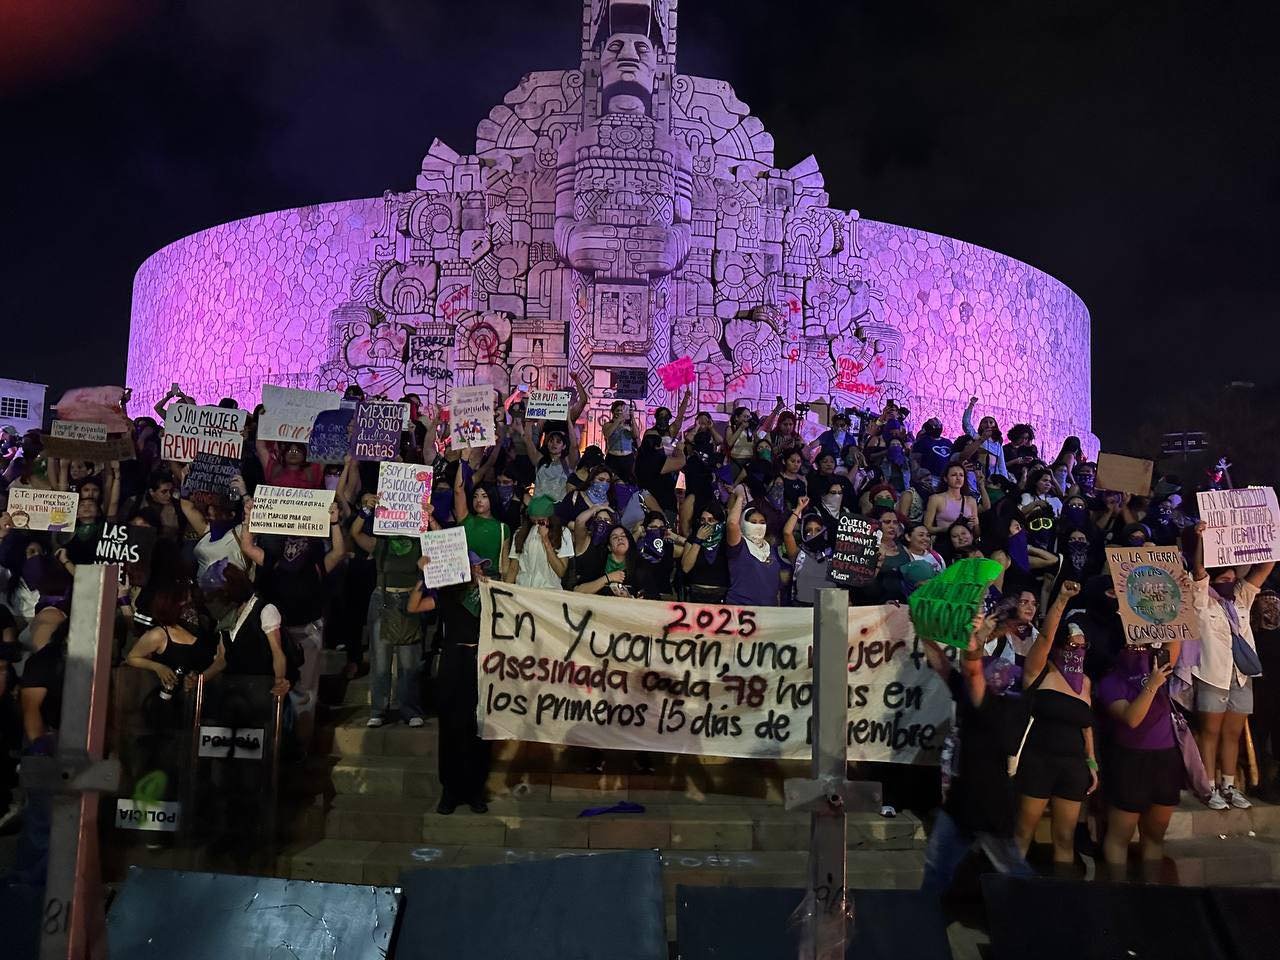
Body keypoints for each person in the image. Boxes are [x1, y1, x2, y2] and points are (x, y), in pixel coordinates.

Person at [919, 614, 1032, 895]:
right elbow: (944, 667)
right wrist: (923, 629)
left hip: (987, 804)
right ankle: (922, 918)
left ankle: (1041, 919)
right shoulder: (971, 697)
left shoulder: (995, 707)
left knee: (1013, 872)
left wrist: (975, 639)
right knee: (936, 866)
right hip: (962, 801)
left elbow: (970, 669)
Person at [1188, 520, 1275, 810]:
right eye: (1222, 579)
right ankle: (1208, 787)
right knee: (1210, 732)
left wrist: (1266, 533)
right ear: (1213, 581)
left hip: (1241, 676)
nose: (1229, 582)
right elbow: (1199, 572)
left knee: (1233, 733)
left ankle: (1229, 785)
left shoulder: (1241, 599)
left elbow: (1264, 568)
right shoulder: (1202, 600)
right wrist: (1200, 539)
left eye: (1231, 578)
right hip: (1213, 675)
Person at [1013, 581, 1097, 865]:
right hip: (1039, 761)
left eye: (1082, 646)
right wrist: (1061, 599)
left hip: (1072, 766)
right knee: (1023, 832)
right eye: (1072, 644)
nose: (1077, 649)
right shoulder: (1040, 672)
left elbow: (1086, 724)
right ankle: (1009, 892)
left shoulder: (1084, 682)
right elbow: (1046, 636)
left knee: (1065, 838)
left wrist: (1092, 763)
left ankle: (1062, 898)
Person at [1097, 643, 1183, 870]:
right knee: (1121, 835)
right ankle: (1118, 890)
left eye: (1141, 646)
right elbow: (1132, 718)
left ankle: (1154, 891)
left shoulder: (1158, 668)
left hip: (1164, 757)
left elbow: (1174, 638)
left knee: (1155, 835)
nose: (1138, 650)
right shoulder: (1111, 682)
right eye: (1130, 645)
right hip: (1131, 760)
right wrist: (1152, 686)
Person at [350, 496, 426, 729]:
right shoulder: (380, 542)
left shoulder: (420, 541)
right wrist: (365, 510)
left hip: (410, 601)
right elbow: (355, 533)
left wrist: (428, 515)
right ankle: (378, 710)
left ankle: (410, 709)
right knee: (381, 660)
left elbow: (440, 541)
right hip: (383, 599)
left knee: (409, 661)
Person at [429, 552, 491, 814]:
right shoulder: (447, 595)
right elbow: (413, 606)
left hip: (480, 660)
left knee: (478, 726)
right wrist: (425, 577)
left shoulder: (490, 595)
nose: (479, 571)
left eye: (480, 566)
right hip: (454, 659)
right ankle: (450, 791)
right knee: (452, 726)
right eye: (474, 567)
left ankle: (475, 790)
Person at [724, 484, 784, 606]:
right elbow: (731, 524)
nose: (758, 526)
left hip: (768, 612)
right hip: (741, 610)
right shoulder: (739, 545)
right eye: (753, 522)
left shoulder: (770, 549)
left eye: (762, 522)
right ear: (744, 523)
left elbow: (775, 586)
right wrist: (740, 498)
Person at [507, 495, 573, 590]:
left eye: (541, 521)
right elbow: (513, 568)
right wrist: (504, 591)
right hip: (523, 589)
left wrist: (546, 541)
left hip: (548, 592)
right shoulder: (520, 534)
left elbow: (561, 571)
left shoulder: (563, 533)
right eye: (535, 521)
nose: (538, 524)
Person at [782, 498, 831, 606]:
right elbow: (787, 533)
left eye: (818, 530)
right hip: (801, 608)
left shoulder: (831, 555)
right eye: (809, 530)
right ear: (803, 533)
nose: (813, 533)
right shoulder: (798, 553)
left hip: (828, 607)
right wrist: (799, 508)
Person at [924, 464, 979, 536]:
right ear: (945, 479)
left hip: (966, 543)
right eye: (954, 475)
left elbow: (977, 533)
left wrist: (976, 524)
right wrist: (949, 529)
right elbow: (927, 527)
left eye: (961, 475)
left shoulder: (971, 501)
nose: (958, 478)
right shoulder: (936, 499)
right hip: (945, 541)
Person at [602, 400, 641, 482]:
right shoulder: (608, 425)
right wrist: (618, 420)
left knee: (628, 481)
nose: (620, 412)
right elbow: (607, 434)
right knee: (612, 481)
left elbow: (636, 435)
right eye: (618, 410)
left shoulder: (629, 425)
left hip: (627, 458)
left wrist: (632, 417)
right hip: (613, 458)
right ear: (613, 412)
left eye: (622, 410)